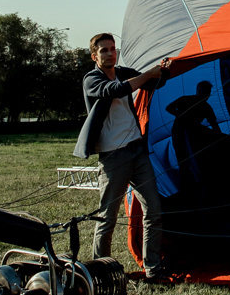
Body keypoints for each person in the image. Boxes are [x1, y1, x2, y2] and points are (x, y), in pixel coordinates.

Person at [74, 33, 176, 279]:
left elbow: (151, 84)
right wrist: (146, 75)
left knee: (154, 211)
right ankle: (100, 273)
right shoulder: (92, 79)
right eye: (104, 51)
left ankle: (153, 269)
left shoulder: (123, 71)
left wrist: (163, 71)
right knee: (107, 217)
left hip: (136, 151)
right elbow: (115, 90)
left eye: (112, 49)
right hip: (113, 156)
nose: (110, 53)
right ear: (94, 56)